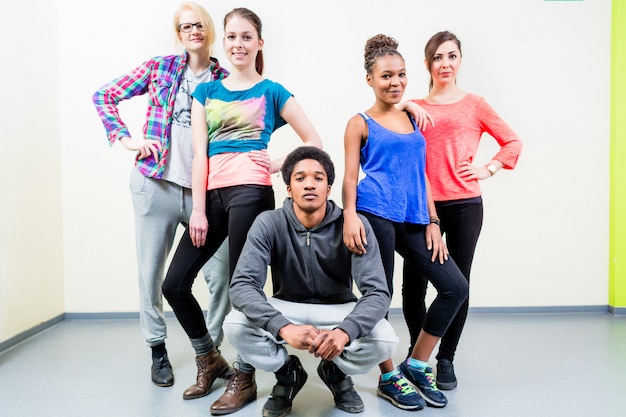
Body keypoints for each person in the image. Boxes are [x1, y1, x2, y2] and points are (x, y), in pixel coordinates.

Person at [161, 7, 323, 402]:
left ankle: (245, 376)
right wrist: (198, 209)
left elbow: (313, 142)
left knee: (243, 289)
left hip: (251, 191)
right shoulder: (206, 92)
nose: (238, 44)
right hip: (212, 196)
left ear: (259, 43)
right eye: (231, 36)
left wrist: (281, 162)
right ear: (224, 41)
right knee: (175, 284)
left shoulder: (272, 91)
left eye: (246, 36)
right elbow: (200, 155)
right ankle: (210, 359)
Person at [92, 2, 235, 388]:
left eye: (199, 24)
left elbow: (238, 132)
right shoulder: (160, 68)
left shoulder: (225, 78)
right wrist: (126, 140)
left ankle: (211, 352)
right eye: (185, 26)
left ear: (209, 29)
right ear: (178, 33)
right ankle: (157, 349)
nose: (193, 30)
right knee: (151, 274)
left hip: (206, 195)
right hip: (155, 185)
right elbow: (104, 95)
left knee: (220, 275)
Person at [210, 146, 398, 416]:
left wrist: (344, 332)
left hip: (338, 308)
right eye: (300, 178)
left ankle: (336, 370)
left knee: (385, 340)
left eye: (318, 178)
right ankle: (288, 373)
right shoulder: (269, 223)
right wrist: (283, 327)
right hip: (287, 306)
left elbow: (378, 293)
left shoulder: (355, 224)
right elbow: (242, 285)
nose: (309, 184)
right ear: (289, 188)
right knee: (235, 324)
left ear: (328, 188)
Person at [342, 34, 469, 410]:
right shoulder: (359, 122)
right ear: (370, 79)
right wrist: (350, 216)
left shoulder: (413, 115)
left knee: (454, 287)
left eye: (400, 75)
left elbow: (422, 173)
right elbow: (350, 178)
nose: (394, 82)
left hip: (414, 216)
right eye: (386, 76)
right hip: (375, 212)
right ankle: (388, 377)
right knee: (380, 297)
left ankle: (416, 363)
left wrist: (432, 220)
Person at [400, 30, 522, 390]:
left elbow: (512, 141)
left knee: (458, 284)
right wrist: (407, 104)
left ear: (460, 60)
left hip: (466, 204)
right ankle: (416, 353)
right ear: (427, 64)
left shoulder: (475, 104)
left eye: (451, 56)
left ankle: (446, 358)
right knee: (412, 286)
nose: (445, 64)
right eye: (437, 57)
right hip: (422, 207)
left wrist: (488, 168)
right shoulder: (415, 108)